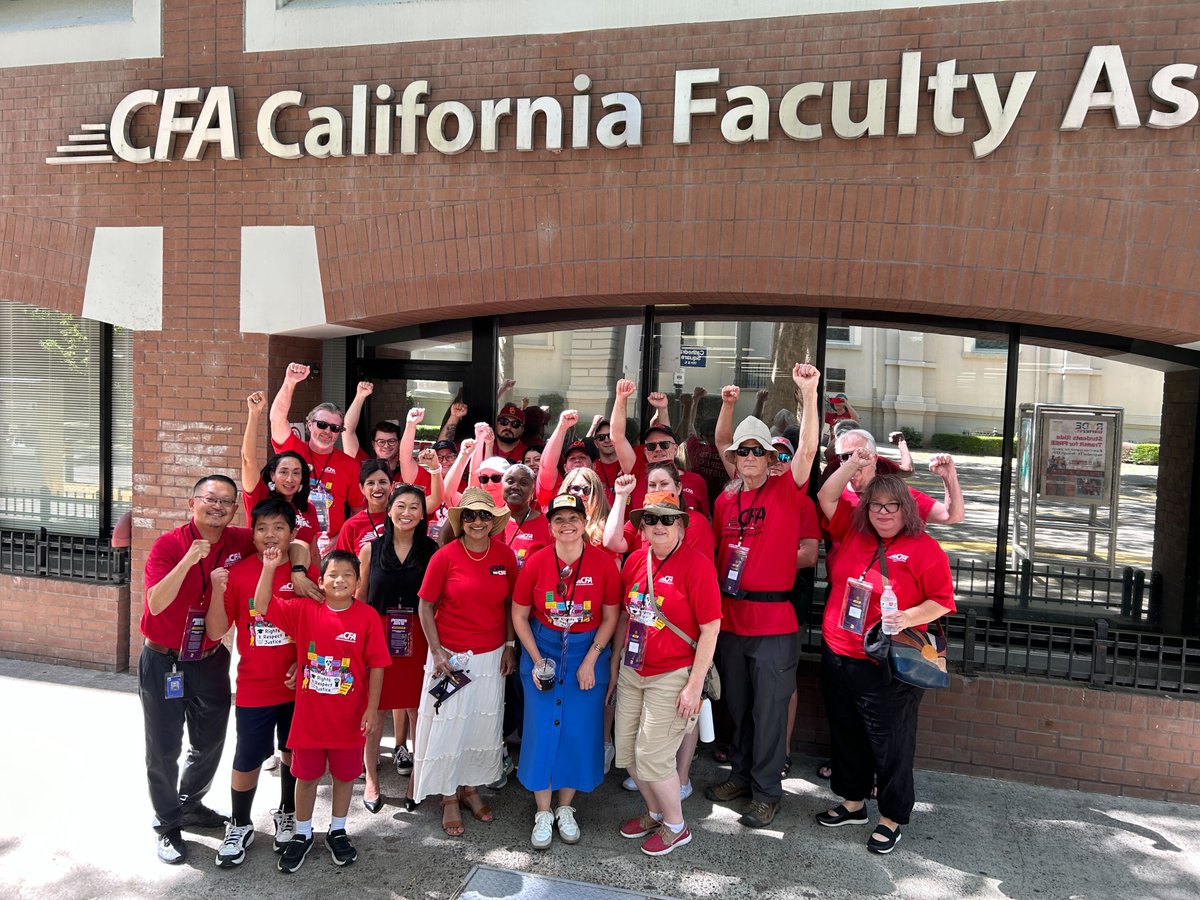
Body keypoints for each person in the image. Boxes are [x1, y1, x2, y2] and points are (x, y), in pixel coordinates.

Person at [139, 475, 314, 864]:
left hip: (210, 657)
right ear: (192, 502)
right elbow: (154, 602)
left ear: (235, 510)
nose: (217, 507)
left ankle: (189, 804)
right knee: (164, 747)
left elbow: (292, 541)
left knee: (209, 742)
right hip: (165, 658)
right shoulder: (170, 545)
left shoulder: (239, 540)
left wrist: (299, 569)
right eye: (209, 499)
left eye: (226, 502)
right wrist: (190, 560)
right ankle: (168, 824)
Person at [814, 457, 956, 854]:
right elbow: (826, 494)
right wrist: (852, 464)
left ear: (907, 509)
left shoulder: (924, 548)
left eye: (892, 506)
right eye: (875, 505)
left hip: (886, 662)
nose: (883, 513)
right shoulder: (852, 531)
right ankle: (853, 802)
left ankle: (891, 818)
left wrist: (905, 616)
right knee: (846, 732)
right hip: (839, 651)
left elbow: (942, 602)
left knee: (891, 743)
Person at [704, 365, 821, 830]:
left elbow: (809, 448)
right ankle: (743, 775)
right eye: (742, 451)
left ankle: (767, 792)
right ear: (734, 457)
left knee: (771, 711)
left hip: (774, 620)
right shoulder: (724, 498)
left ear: (771, 456)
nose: (749, 456)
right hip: (732, 619)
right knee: (740, 706)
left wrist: (808, 394)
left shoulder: (787, 490)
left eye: (758, 450)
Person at [253, 548, 390, 873]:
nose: (340, 580)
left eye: (347, 575)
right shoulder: (305, 610)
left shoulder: (367, 616)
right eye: (333, 575)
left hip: (350, 721)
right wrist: (270, 568)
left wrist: (372, 709)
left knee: (344, 778)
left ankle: (338, 830)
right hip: (310, 720)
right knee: (307, 777)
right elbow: (262, 606)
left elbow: (379, 666)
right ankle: (302, 834)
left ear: (358, 582)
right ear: (321, 580)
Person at [204, 498, 317, 868]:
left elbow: (319, 626)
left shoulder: (304, 573)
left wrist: (303, 662)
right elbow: (219, 630)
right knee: (248, 756)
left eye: (279, 528)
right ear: (252, 535)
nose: (270, 535)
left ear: (291, 534)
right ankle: (239, 823)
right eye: (263, 528)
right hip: (254, 684)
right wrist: (217, 591)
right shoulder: (238, 574)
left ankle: (286, 811)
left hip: (296, 686)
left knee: (290, 752)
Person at [613, 492, 721, 857]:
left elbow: (710, 629)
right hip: (633, 669)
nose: (658, 526)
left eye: (667, 519)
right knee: (628, 751)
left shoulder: (697, 565)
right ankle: (654, 812)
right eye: (651, 519)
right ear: (642, 525)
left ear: (681, 524)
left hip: (673, 674)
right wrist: (616, 666)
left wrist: (694, 686)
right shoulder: (633, 562)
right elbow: (626, 617)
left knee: (654, 755)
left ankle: (676, 826)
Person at [511, 493, 621, 849]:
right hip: (542, 649)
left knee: (576, 730)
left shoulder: (604, 564)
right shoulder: (536, 562)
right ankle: (543, 811)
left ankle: (565, 807)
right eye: (559, 519)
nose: (567, 525)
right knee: (541, 729)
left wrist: (591, 659)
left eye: (573, 517)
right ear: (550, 525)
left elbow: (610, 617)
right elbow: (519, 614)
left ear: (584, 521)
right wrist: (535, 658)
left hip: (586, 651)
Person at [413, 488, 519, 835]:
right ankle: (447, 797)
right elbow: (425, 607)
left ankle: (471, 789)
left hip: (491, 657)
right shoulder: (445, 556)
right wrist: (436, 650)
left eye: (484, 515)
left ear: (494, 521)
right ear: (461, 521)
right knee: (449, 728)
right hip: (450, 659)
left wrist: (509, 645)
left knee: (479, 726)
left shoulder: (504, 555)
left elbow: (509, 606)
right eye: (470, 515)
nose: (477, 521)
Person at [357, 485, 440, 812]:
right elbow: (361, 599)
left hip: (418, 636)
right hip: (378, 635)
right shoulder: (370, 550)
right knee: (374, 711)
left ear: (423, 514)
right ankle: (372, 779)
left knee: (417, 709)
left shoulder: (433, 550)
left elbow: (436, 601)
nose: (407, 513)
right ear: (389, 509)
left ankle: (415, 777)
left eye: (414, 507)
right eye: (400, 506)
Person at [268, 362, 361, 552]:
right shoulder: (293, 449)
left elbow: (357, 512)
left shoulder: (350, 465)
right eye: (322, 424)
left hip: (328, 547)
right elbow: (277, 419)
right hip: (288, 543)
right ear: (309, 425)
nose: (328, 431)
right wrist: (290, 382)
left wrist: (338, 540)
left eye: (335, 428)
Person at [241, 390, 320, 554]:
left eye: (296, 473)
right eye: (283, 472)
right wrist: (254, 414)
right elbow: (248, 459)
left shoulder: (308, 509)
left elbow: (313, 552)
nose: (290, 479)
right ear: (272, 475)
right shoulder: (259, 497)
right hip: (262, 572)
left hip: (297, 576)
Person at [829, 429, 963, 526]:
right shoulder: (833, 495)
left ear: (874, 458)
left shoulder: (899, 494)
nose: (854, 461)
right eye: (845, 457)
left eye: (860, 454)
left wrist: (949, 477)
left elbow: (952, 516)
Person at [335, 460, 392, 555]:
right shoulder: (351, 526)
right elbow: (343, 564)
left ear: (391, 486)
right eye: (370, 483)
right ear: (362, 489)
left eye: (383, 482)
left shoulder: (400, 518)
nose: (377, 488)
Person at [502, 463, 551, 571]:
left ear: (533, 491)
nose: (515, 487)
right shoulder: (488, 520)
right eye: (510, 481)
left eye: (523, 483)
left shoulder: (547, 526)